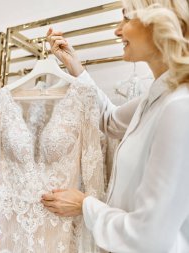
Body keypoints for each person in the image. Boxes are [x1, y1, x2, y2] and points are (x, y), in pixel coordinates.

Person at [41, 0, 189, 252]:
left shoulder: (179, 106)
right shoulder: (157, 96)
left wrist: (85, 205)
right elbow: (110, 121)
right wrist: (74, 66)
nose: (117, 30)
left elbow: (148, 238)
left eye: (126, 18)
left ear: (161, 23)